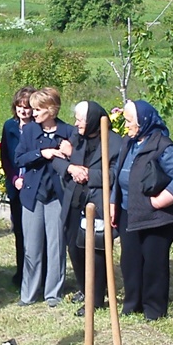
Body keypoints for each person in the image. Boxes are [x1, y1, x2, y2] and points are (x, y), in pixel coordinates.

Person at [111, 99, 173, 321]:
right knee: (130, 261)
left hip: (156, 217)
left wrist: (160, 201)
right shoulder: (128, 143)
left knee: (153, 264)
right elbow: (118, 175)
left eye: (129, 121)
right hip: (129, 212)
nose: (125, 125)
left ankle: (154, 310)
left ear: (143, 122)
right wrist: (113, 204)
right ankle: (132, 305)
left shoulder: (163, 146)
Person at [54, 101, 121, 317]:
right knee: (74, 247)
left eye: (80, 120)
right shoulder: (76, 137)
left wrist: (89, 175)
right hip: (75, 200)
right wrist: (71, 168)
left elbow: (114, 174)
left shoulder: (114, 142)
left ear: (92, 120)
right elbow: (57, 160)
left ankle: (96, 298)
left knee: (95, 252)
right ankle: (85, 289)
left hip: (97, 204)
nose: (76, 124)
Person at [14, 88, 73, 307]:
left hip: (57, 197)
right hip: (32, 196)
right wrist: (42, 153)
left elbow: (77, 161)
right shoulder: (29, 131)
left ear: (51, 110)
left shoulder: (68, 131)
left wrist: (69, 152)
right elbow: (19, 158)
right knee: (32, 245)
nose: (33, 112)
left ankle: (53, 294)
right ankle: (28, 294)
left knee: (56, 245)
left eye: (38, 109)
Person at [0, 86, 35, 287]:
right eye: (20, 106)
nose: (23, 111)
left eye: (27, 107)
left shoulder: (39, 127)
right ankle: (21, 271)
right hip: (16, 186)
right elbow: (5, 156)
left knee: (36, 232)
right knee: (20, 231)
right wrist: (14, 179)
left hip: (34, 186)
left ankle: (37, 272)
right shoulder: (9, 126)